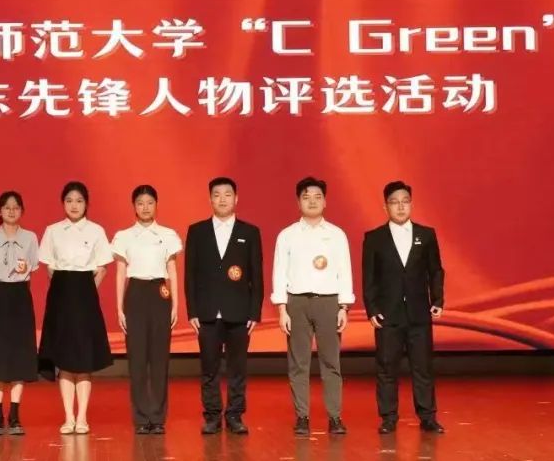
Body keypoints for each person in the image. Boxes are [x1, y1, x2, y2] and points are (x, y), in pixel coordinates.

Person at [272, 176, 354, 437]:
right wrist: (282, 308)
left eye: (318, 197)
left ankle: (335, 417)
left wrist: (344, 307)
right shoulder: (287, 235)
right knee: (299, 363)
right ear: (298, 202)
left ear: (325, 201)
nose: (312, 202)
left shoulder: (336, 235)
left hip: (329, 302)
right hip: (297, 302)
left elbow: (345, 271)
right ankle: (302, 416)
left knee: (331, 362)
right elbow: (279, 272)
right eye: (306, 197)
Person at [362, 181, 446, 434]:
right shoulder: (374, 238)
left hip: (419, 313)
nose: (400, 206)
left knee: (423, 367)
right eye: (394, 202)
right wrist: (371, 308)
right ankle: (388, 417)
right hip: (388, 314)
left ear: (411, 204)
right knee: (387, 367)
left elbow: (435, 270)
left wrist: (437, 300)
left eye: (405, 201)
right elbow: (369, 277)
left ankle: (428, 416)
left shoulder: (426, 235)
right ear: (385, 206)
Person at [184, 177, 263, 435]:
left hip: (239, 311)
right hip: (207, 312)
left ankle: (235, 415)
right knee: (209, 368)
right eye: (217, 194)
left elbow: (256, 275)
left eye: (227, 194)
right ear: (210, 199)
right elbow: (190, 274)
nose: (222, 199)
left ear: (236, 198)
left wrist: (254, 312)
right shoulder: (197, 231)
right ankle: (212, 416)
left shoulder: (249, 232)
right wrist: (192, 310)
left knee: (237, 368)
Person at [38, 181, 114, 435]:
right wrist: (65, 288)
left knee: (83, 359)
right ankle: (68, 417)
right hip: (60, 296)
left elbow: (102, 267)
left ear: (86, 204)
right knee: (64, 359)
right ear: (63, 203)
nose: (74, 205)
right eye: (69, 200)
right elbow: (49, 268)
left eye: (79, 201)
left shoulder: (96, 230)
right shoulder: (52, 231)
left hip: (85, 297)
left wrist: (86, 289)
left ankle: (82, 417)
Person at [112, 184, 182, 435]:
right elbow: (120, 273)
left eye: (150, 203)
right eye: (140, 203)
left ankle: (158, 416)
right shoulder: (124, 236)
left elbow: (172, 270)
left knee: (160, 358)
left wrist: (176, 305)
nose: (145, 207)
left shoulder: (168, 234)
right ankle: (142, 417)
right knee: (138, 358)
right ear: (134, 206)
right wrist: (119, 308)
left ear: (156, 205)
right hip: (136, 293)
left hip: (160, 293)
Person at [0, 191, 40, 436]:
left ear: (22, 210)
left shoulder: (30, 237)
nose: (11, 211)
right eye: (6, 207)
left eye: (16, 207)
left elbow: (32, 270)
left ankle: (14, 414)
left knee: (19, 355)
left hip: (21, 295)